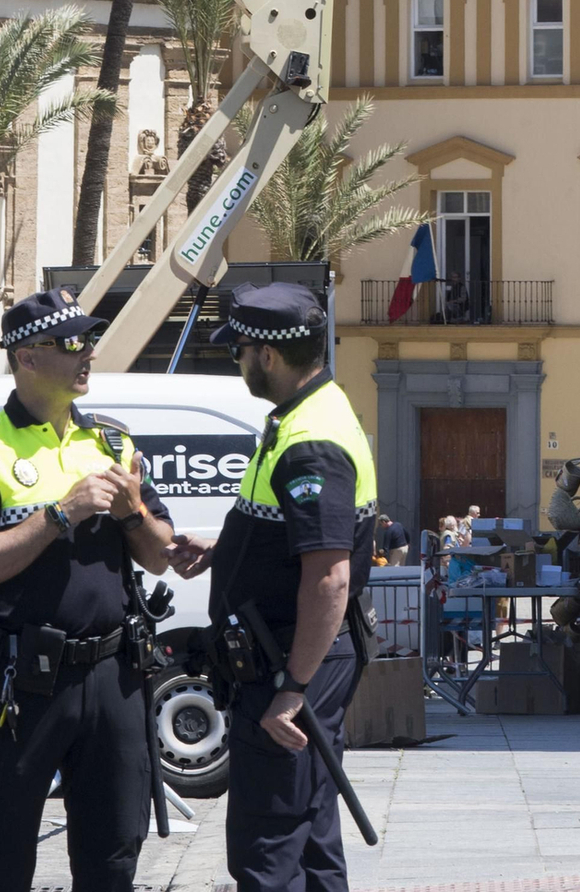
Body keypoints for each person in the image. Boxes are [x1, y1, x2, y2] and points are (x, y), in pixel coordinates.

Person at [0, 286, 175, 892]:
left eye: (90, 341)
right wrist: (59, 514)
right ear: (27, 358)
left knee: (113, 860)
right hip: (23, 681)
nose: (87, 353)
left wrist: (132, 514)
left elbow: (158, 555)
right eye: (71, 344)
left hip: (113, 675)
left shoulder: (114, 443)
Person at [167, 283, 377, 892]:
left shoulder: (310, 442)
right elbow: (298, 540)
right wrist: (226, 551)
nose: (237, 362)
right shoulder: (306, 415)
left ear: (266, 355)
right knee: (310, 836)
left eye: (238, 351)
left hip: (289, 661)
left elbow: (330, 576)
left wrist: (293, 689)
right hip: (288, 652)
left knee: (267, 846)